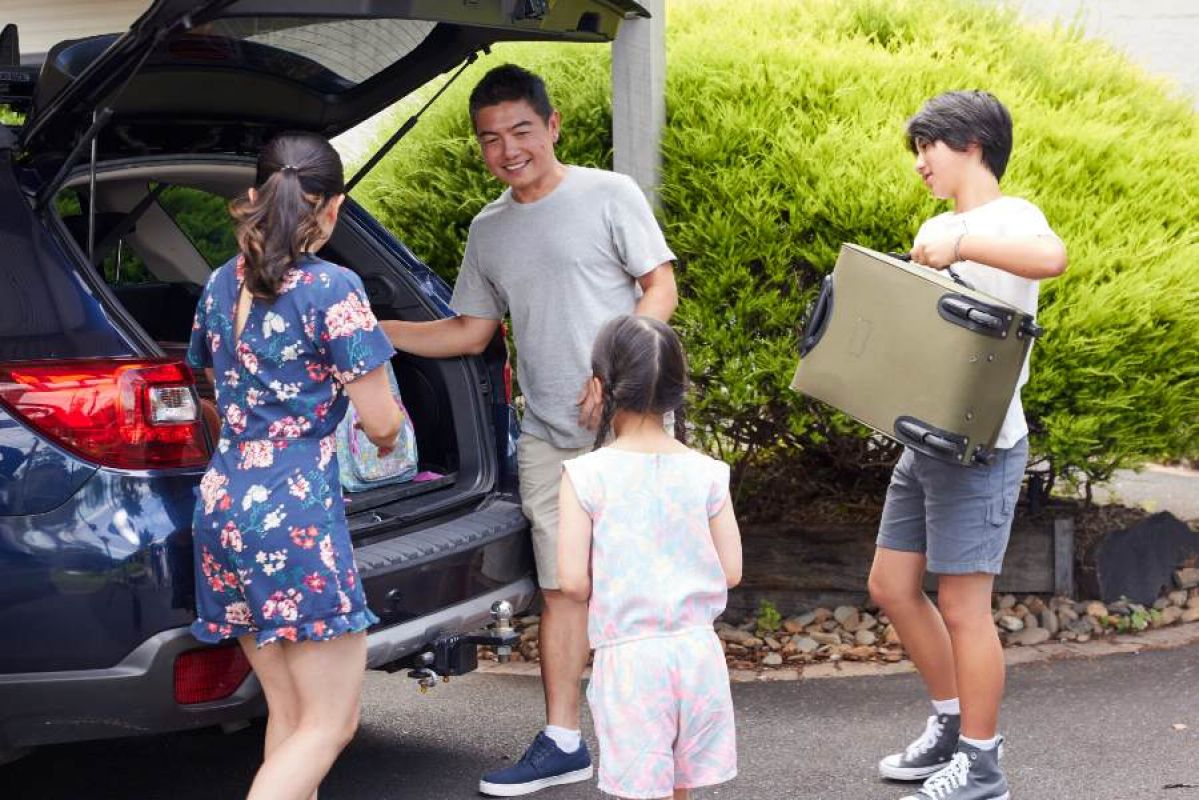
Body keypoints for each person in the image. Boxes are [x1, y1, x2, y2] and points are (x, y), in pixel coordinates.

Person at [380, 64, 678, 796]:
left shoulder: (609, 194)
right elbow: (470, 330)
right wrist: (371, 331)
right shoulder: (490, 229)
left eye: (520, 130)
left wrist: (616, 369)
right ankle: (563, 740)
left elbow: (660, 286)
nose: (507, 149)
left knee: (642, 588)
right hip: (547, 435)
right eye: (490, 139)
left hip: (630, 424)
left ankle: (660, 739)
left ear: (551, 127)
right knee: (562, 588)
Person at [187, 131, 404, 800]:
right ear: (332, 209)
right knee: (330, 723)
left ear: (255, 198)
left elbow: (206, 385)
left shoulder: (222, 283)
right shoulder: (332, 288)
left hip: (223, 507)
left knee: (289, 713)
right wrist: (384, 441)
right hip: (294, 516)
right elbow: (383, 421)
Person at [867, 91, 1067, 800]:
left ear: (973, 145)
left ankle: (982, 766)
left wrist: (962, 243)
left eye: (930, 146)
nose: (920, 162)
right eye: (916, 149)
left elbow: (1052, 257)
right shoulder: (936, 223)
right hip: (925, 437)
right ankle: (952, 726)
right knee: (890, 586)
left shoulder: (1007, 219)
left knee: (962, 607)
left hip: (982, 445)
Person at [557, 315, 741, 800]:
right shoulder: (708, 472)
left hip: (632, 658)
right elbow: (733, 570)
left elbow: (571, 582)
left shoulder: (586, 474)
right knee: (682, 787)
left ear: (600, 387)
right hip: (698, 656)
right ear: (678, 390)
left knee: (641, 789)